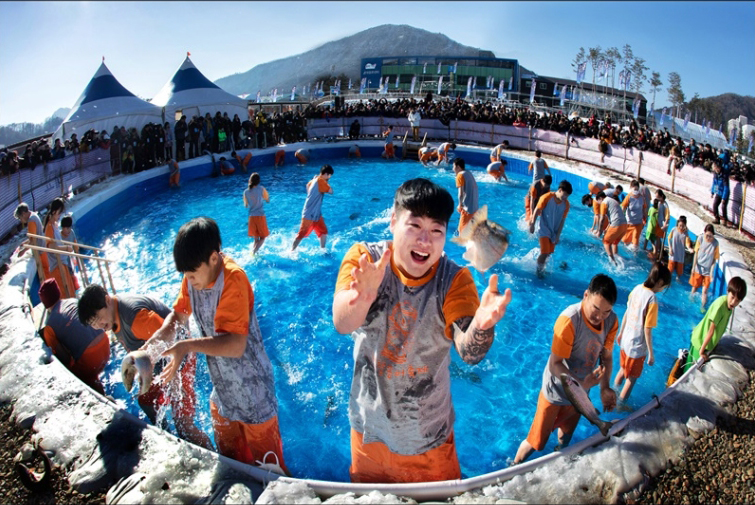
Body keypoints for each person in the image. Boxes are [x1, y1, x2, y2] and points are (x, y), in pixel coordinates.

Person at [332, 178, 512, 483]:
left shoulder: (454, 280)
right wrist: (363, 297)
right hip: (368, 433)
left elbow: (469, 352)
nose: (425, 241)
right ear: (393, 221)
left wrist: (481, 326)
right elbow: (342, 323)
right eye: (414, 226)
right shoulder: (365, 259)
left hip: (429, 440)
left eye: (436, 231)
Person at [152, 217, 289, 472]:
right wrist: (151, 347)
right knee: (231, 464)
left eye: (192, 274)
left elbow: (235, 345)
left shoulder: (234, 279)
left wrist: (186, 346)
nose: (188, 280)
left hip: (254, 395)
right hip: (223, 393)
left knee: (271, 470)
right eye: (185, 275)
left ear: (214, 258)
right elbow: (178, 317)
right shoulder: (193, 275)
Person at [77, 283, 212, 450]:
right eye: (93, 323)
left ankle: (216, 459)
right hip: (162, 362)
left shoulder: (135, 318)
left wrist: (175, 376)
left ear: (107, 300)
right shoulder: (113, 316)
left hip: (180, 357)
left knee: (184, 424)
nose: (98, 325)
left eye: (98, 318)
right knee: (146, 401)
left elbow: (173, 336)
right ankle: (168, 439)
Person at [513, 274, 618, 464]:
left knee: (566, 433)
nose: (599, 317)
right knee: (536, 442)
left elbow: (607, 357)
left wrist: (604, 387)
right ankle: (515, 465)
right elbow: (555, 364)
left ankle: (561, 461)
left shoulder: (612, 321)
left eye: (606, 311)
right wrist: (580, 383)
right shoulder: (569, 321)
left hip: (581, 393)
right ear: (585, 295)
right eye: (596, 308)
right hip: (556, 392)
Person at [613, 263, 671, 406]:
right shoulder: (652, 299)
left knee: (622, 370)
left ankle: (612, 393)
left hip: (625, 340)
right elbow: (647, 329)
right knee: (631, 379)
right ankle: (620, 406)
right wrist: (651, 353)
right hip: (636, 346)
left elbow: (627, 312)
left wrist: (620, 333)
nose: (662, 290)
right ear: (660, 282)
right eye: (664, 287)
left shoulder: (637, 288)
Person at [39, 279, 109, 394]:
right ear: (58, 292)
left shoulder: (49, 327)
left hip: (90, 358)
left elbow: (64, 358)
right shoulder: (73, 301)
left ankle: (98, 392)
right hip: (105, 344)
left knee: (74, 372)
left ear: (44, 302)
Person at [686, 276, 747, 366]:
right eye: (732, 297)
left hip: (705, 343)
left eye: (737, 300)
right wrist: (701, 351)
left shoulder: (729, 307)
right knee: (692, 366)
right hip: (699, 342)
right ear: (728, 291)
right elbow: (711, 330)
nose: (733, 302)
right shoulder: (720, 306)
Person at [530, 180, 572, 276]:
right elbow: (537, 210)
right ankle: (538, 272)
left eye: (567, 196)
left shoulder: (566, 204)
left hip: (554, 231)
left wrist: (558, 235)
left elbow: (562, 221)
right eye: (565, 195)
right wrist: (532, 224)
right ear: (560, 190)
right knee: (545, 252)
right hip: (543, 229)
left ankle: (542, 268)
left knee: (548, 253)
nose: (565, 198)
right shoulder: (546, 197)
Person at [292, 164, 334, 251]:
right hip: (309, 214)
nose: (329, 177)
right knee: (301, 234)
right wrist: (326, 183)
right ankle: (292, 251)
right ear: (326, 174)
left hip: (316, 214)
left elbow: (307, 186)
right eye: (329, 175)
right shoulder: (321, 181)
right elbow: (331, 191)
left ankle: (323, 250)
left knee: (323, 232)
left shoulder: (314, 180)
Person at [43, 198, 76, 298]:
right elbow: (50, 246)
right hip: (57, 266)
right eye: (59, 213)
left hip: (61, 263)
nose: (60, 215)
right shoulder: (50, 226)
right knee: (65, 294)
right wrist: (66, 248)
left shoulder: (54, 224)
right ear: (54, 211)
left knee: (70, 292)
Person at [689, 224, 720, 310]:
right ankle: (690, 302)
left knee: (704, 291)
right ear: (704, 233)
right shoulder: (700, 239)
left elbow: (714, 260)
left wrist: (711, 274)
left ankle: (702, 307)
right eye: (707, 235)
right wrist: (693, 267)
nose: (708, 238)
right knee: (694, 287)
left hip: (707, 271)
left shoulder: (715, 244)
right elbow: (696, 253)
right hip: (698, 268)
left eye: (711, 236)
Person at [15, 202, 49, 277]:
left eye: (20, 218)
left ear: (23, 214)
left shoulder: (31, 221)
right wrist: (25, 242)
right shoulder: (34, 215)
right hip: (43, 249)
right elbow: (35, 235)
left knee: (46, 275)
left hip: (40, 252)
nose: (21, 220)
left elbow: (33, 241)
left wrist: (23, 251)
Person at [596, 190, 628, 265]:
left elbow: (602, 218)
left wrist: (599, 231)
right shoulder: (612, 200)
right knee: (614, 243)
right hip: (624, 225)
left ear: (600, 198)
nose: (599, 204)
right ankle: (617, 257)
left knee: (606, 241)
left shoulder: (604, 202)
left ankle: (613, 262)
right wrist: (607, 229)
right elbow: (613, 216)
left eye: (598, 202)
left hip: (617, 224)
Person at [243, 173, 270, 255]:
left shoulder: (246, 192)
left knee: (256, 239)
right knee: (263, 237)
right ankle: (254, 252)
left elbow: (246, 205)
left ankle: (253, 253)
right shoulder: (261, 189)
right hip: (260, 216)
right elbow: (267, 200)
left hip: (251, 217)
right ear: (259, 181)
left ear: (249, 181)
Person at [454, 158, 479, 232]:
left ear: (458, 167)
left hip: (467, 210)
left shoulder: (460, 175)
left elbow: (460, 194)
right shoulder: (468, 173)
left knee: (461, 231)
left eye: (453, 167)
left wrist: (460, 204)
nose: (453, 169)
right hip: (475, 208)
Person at [621, 180, 647, 249]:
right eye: (634, 189)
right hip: (629, 223)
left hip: (638, 223)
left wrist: (645, 218)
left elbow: (644, 209)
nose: (636, 191)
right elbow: (623, 208)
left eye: (637, 189)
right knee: (626, 242)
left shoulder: (642, 198)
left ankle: (635, 254)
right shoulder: (628, 197)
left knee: (635, 244)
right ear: (631, 188)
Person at [667, 216, 693, 282]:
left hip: (680, 255)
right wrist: (670, 248)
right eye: (680, 225)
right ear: (678, 223)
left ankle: (677, 279)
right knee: (670, 270)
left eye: (683, 226)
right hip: (673, 253)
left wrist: (689, 248)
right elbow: (669, 238)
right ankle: (668, 280)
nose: (681, 227)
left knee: (679, 272)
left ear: (685, 225)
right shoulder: (674, 230)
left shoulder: (686, 233)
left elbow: (687, 243)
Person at [59, 215, 80, 291]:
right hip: (62, 260)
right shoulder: (59, 237)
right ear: (62, 228)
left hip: (69, 258)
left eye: (70, 228)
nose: (69, 230)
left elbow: (75, 247)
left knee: (72, 274)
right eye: (67, 228)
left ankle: (75, 289)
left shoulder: (71, 233)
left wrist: (78, 261)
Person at [710, 159, 731, 228]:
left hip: (724, 193)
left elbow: (726, 187)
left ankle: (724, 220)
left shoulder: (724, 175)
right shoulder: (716, 174)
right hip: (719, 192)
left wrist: (724, 198)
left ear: (718, 167)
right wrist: (713, 192)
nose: (713, 168)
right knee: (715, 205)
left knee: (723, 207)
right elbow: (715, 183)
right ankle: (717, 218)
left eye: (714, 167)